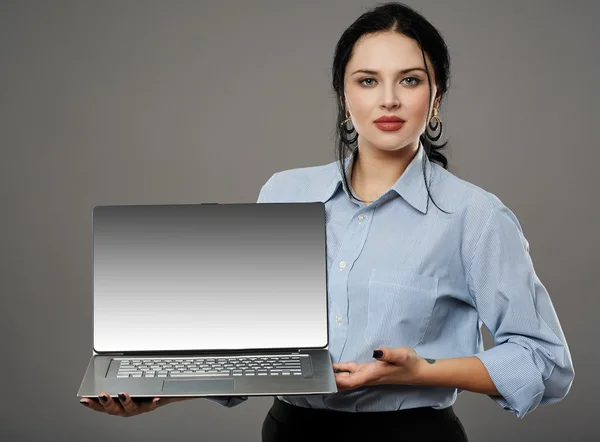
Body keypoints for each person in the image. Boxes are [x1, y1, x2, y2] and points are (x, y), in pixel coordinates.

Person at [80, 2, 574, 441]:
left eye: (410, 79)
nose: (389, 100)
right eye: (367, 80)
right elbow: (255, 355)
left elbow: (545, 364)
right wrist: (156, 392)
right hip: (291, 432)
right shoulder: (283, 193)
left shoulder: (475, 216)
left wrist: (421, 372)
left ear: (436, 96)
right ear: (343, 96)